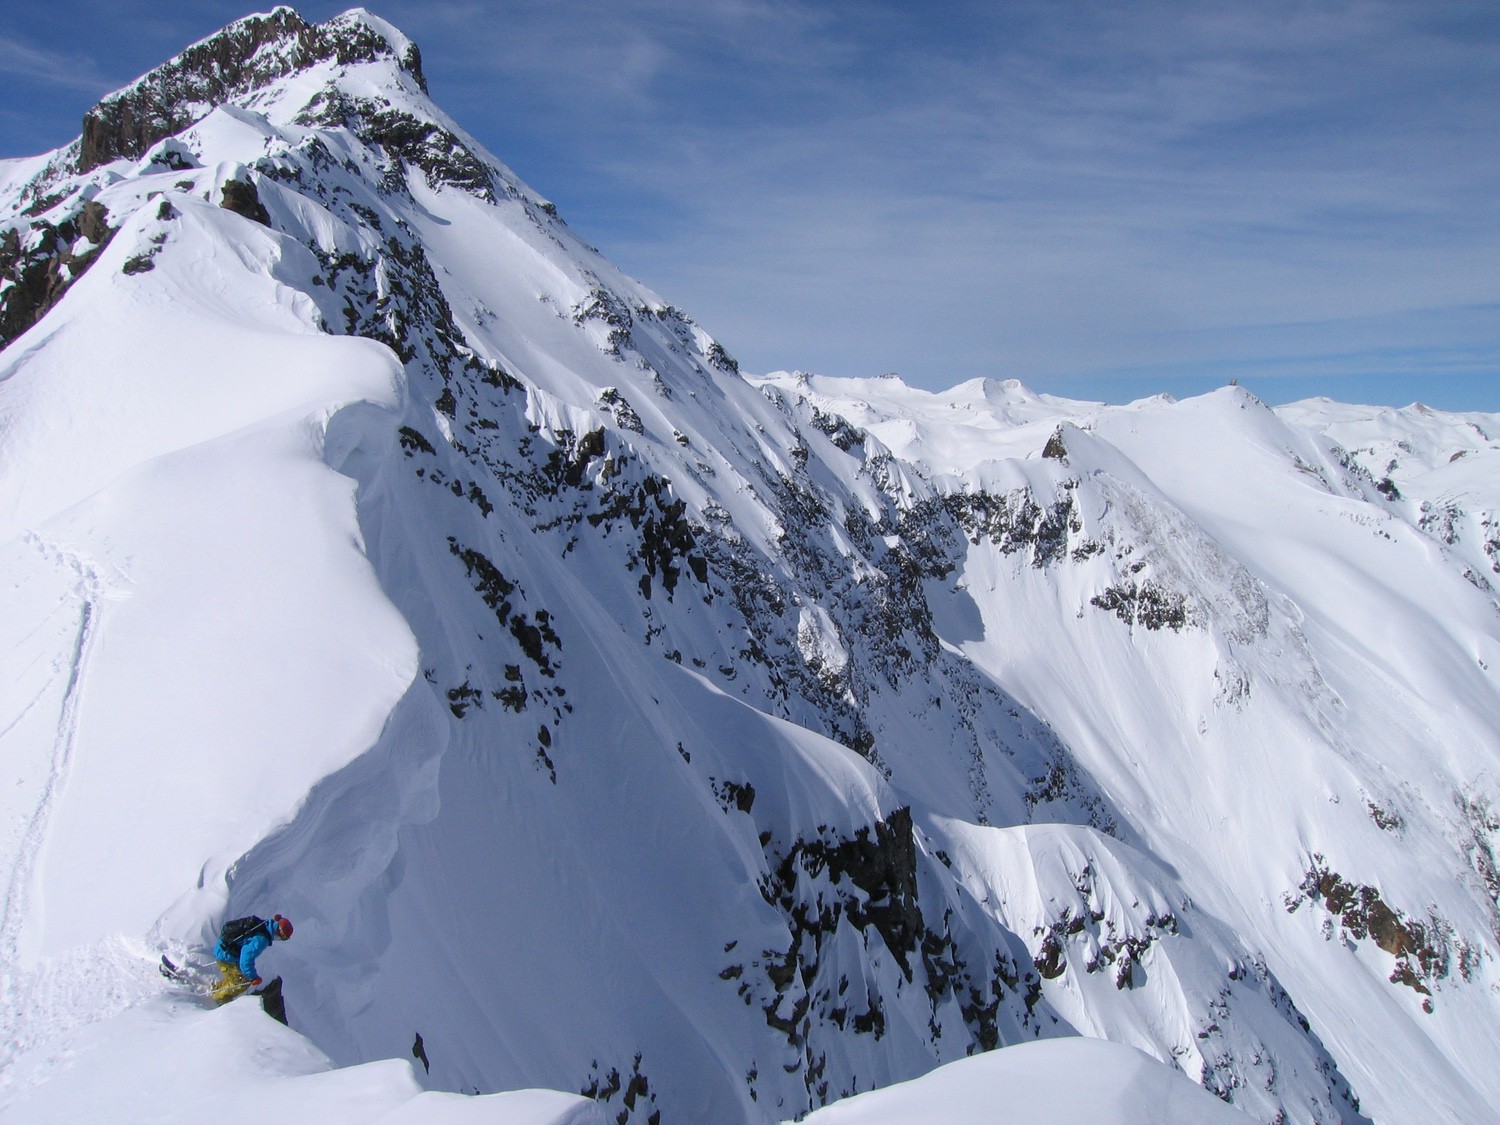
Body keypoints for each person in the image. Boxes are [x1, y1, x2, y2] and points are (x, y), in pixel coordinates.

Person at [211, 913, 293, 1004]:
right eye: (283, 937)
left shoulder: (263, 925)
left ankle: (217, 988)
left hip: (222, 948)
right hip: (227, 957)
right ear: (279, 932)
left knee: (235, 977)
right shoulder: (262, 940)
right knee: (241, 982)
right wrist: (253, 977)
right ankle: (219, 998)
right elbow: (246, 958)